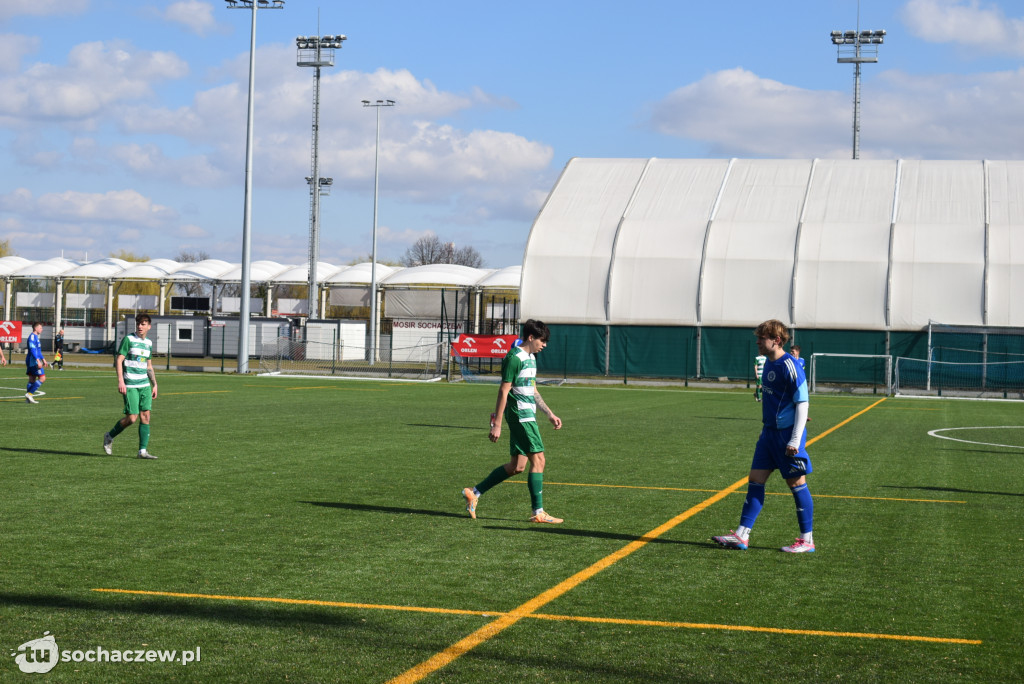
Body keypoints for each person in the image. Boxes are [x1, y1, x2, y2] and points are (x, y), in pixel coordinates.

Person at [713, 319, 815, 553]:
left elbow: (802, 403)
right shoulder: (768, 363)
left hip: (787, 436)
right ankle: (741, 535)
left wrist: (795, 439)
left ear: (776, 340)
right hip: (768, 434)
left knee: (796, 482)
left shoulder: (790, 365)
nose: (758, 342)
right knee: (756, 479)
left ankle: (806, 540)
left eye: (762, 338)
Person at [462, 319, 564, 524]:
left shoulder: (531, 358)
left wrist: (549, 413)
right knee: (539, 460)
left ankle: (474, 493)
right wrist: (497, 424)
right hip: (521, 416)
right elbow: (504, 390)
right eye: (542, 341)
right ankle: (539, 512)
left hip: (527, 414)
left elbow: (533, 389)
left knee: (517, 466)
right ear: (531, 337)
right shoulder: (514, 358)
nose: (545, 345)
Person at [102, 314, 159, 459]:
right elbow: (119, 360)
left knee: (146, 416)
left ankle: (142, 451)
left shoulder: (149, 343)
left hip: (145, 385)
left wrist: (155, 384)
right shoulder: (129, 339)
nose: (140, 326)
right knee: (132, 418)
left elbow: (149, 365)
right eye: (138, 323)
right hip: (130, 384)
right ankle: (109, 436)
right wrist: (121, 381)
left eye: (143, 324)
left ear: (149, 326)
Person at [25, 322, 48, 404]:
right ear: (36, 328)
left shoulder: (36, 337)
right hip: (33, 361)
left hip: (33, 360)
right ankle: (29, 394)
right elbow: (32, 350)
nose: (42, 329)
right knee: (42, 378)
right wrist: (38, 361)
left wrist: (43, 359)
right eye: (40, 328)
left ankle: (28, 399)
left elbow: (38, 351)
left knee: (32, 379)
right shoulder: (32, 337)